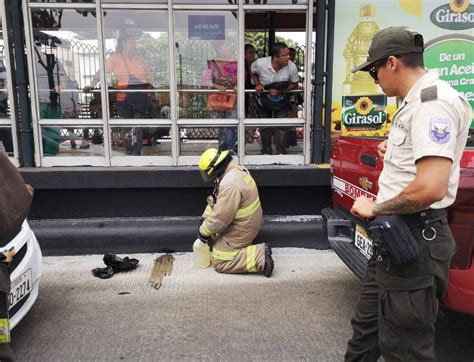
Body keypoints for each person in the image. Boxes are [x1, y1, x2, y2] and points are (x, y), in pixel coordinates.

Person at [346, 26, 471, 361]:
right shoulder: (415, 102)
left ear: (392, 63)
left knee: (405, 350)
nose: (374, 80)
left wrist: (377, 207)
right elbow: (422, 161)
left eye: (374, 71)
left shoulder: (433, 103)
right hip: (394, 241)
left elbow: (431, 187)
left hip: (415, 241)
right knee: (365, 336)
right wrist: (397, 150)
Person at [197, 147, 274, 277]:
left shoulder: (230, 183)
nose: (210, 177)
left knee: (220, 260)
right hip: (248, 222)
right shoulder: (234, 170)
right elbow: (216, 201)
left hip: (244, 227)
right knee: (217, 242)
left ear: (215, 169)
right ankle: (243, 250)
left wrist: (203, 231)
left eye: (209, 174)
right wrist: (205, 218)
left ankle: (259, 256)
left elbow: (221, 218)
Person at [84, 34, 152, 155]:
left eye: (134, 42)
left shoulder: (141, 59)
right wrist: (92, 85)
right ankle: (128, 148)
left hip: (139, 97)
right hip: (123, 97)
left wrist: (150, 94)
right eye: (131, 42)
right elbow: (102, 72)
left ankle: (136, 150)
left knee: (138, 124)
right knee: (126, 124)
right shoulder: (115, 58)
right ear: (124, 44)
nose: (134, 45)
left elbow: (149, 79)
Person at [251, 42, 299, 155]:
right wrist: (257, 84)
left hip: (282, 101)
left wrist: (281, 91)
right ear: (275, 57)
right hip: (264, 100)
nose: (288, 57)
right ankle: (266, 151)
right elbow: (252, 71)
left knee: (281, 126)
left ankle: (281, 151)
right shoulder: (260, 63)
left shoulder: (291, 66)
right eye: (284, 55)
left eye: (288, 54)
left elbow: (295, 84)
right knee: (265, 126)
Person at [209, 42, 238, 153]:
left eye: (228, 45)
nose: (227, 48)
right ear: (218, 49)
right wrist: (217, 86)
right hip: (218, 98)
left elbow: (243, 77)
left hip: (233, 98)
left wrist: (238, 85)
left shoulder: (236, 62)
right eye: (224, 46)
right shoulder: (212, 64)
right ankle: (222, 148)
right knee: (221, 124)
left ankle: (230, 148)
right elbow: (205, 80)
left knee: (231, 123)